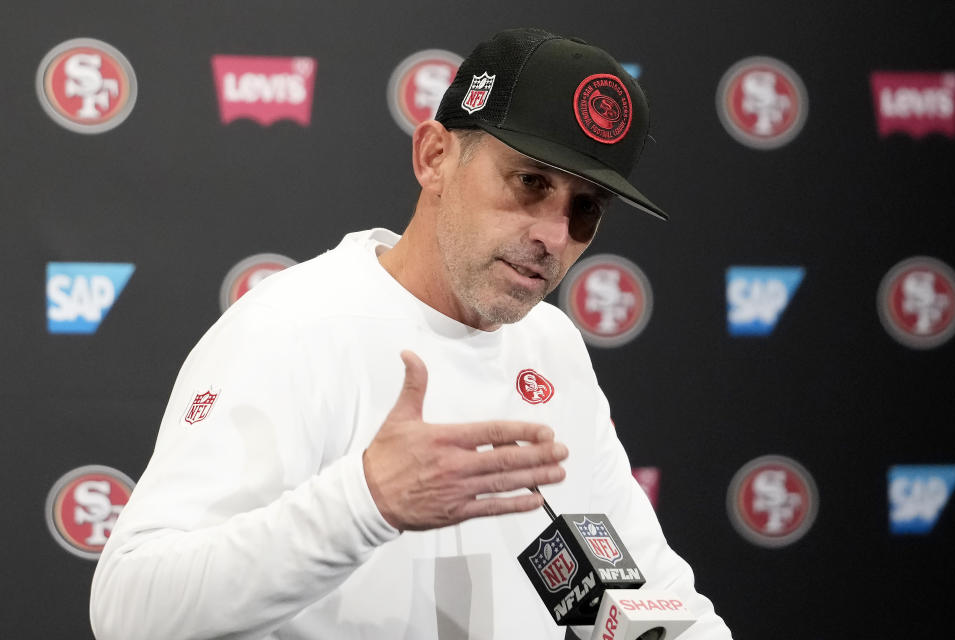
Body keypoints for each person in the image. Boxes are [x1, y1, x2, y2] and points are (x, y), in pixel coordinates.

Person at [90, 27, 732, 640]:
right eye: (530, 183)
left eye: (585, 208)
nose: (554, 236)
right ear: (434, 157)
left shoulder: (550, 345)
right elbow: (130, 607)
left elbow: (633, 582)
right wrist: (365, 502)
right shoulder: (294, 328)